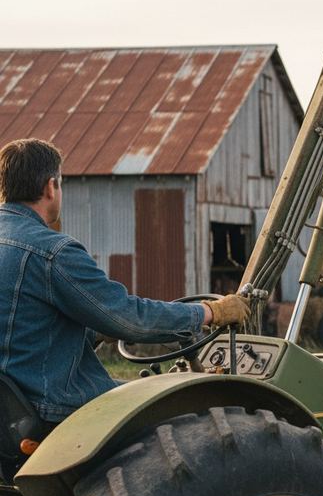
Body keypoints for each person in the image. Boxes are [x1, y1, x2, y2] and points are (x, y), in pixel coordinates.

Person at [0, 138, 250, 423]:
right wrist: (209, 312)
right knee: (183, 412)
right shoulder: (53, 253)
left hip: (13, 407)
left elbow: (22, 326)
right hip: (51, 405)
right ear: (50, 187)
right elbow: (129, 318)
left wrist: (96, 332)